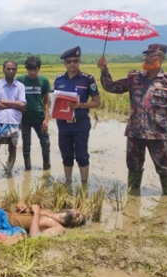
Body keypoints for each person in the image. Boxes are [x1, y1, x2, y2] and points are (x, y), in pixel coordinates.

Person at [97, 44, 167, 195]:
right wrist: (104, 69)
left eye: (152, 56)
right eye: (146, 56)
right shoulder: (135, 78)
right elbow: (111, 87)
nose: (148, 58)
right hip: (135, 132)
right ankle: (133, 197)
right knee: (133, 166)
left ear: (161, 59)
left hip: (158, 133)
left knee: (164, 167)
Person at [53, 46, 100, 188]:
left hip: (81, 123)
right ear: (64, 64)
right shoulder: (59, 80)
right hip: (63, 123)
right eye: (69, 61)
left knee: (82, 155)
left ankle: (84, 184)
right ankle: (68, 183)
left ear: (79, 61)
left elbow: (97, 102)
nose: (72, 64)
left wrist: (81, 105)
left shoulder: (88, 79)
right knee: (66, 154)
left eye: (75, 61)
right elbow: (53, 100)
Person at [0, 60, 26, 176]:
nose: (10, 71)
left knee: (12, 148)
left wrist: (3, 101)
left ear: (16, 70)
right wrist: (15, 104)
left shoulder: (20, 86)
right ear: (3, 69)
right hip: (0, 121)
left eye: (13, 69)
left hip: (14, 122)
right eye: (8, 69)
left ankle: (9, 172)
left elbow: (22, 104)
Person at [16, 56, 51, 171]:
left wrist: (46, 118)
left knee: (45, 144)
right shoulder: (20, 80)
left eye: (35, 69)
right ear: (27, 69)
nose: (32, 72)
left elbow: (46, 101)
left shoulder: (44, 81)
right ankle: (28, 169)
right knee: (26, 144)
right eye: (30, 70)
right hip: (25, 118)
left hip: (39, 117)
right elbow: (14, 97)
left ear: (39, 69)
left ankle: (47, 168)